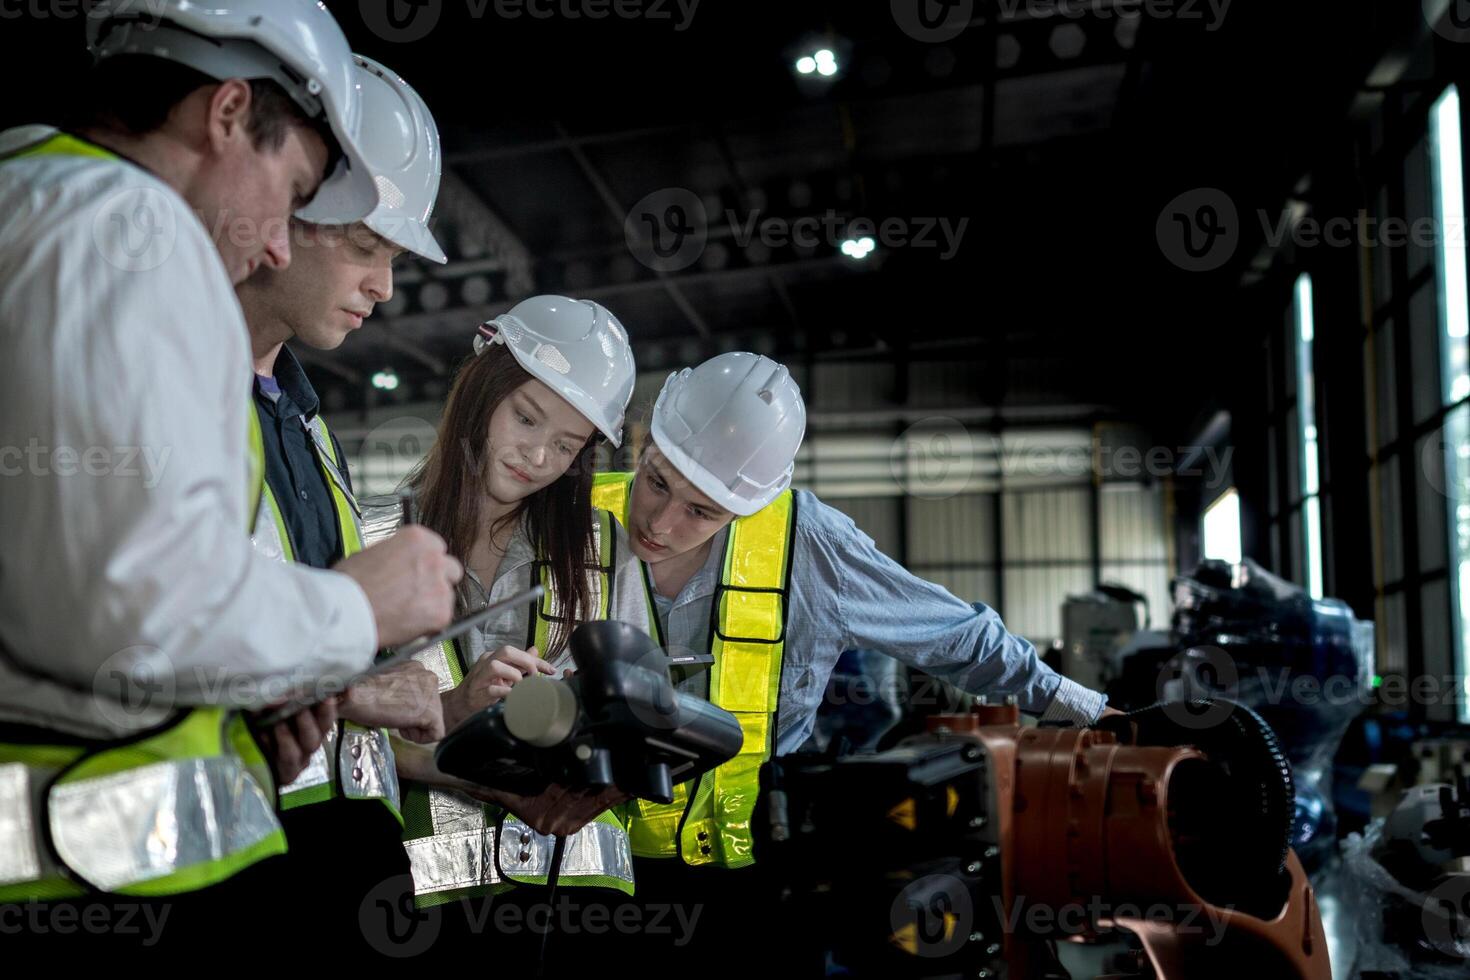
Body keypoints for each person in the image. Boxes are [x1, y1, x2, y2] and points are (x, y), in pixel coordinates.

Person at [0, 0, 460, 948]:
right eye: (291, 195)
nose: (282, 242)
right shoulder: (129, 225)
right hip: (90, 865)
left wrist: (243, 701)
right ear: (224, 114)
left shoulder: (30, 195)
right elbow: (128, 607)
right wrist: (357, 615)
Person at [590, 351, 1119, 956]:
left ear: (750, 503)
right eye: (656, 481)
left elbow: (954, 635)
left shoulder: (811, 549)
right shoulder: (573, 517)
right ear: (646, 443)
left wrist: (1080, 707)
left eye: (701, 510)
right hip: (585, 869)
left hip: (748, 881)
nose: (658, 521)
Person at [233, 54, 450, 948]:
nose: (384, 288)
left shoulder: (306, 421)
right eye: (366, 249)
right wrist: (344, 683)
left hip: (341, 850)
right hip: (227, 851)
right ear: (283, 204)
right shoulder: (164, 399)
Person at [366, 296, 649, 960]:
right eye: (526, 417)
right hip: (418, 902)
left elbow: (638, 717)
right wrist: (460, 736)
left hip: (577, 902)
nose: (537, 456)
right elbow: (342, 740)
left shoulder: (605, 550)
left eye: (567, 443)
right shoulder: (367, 536)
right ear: (479, 389)